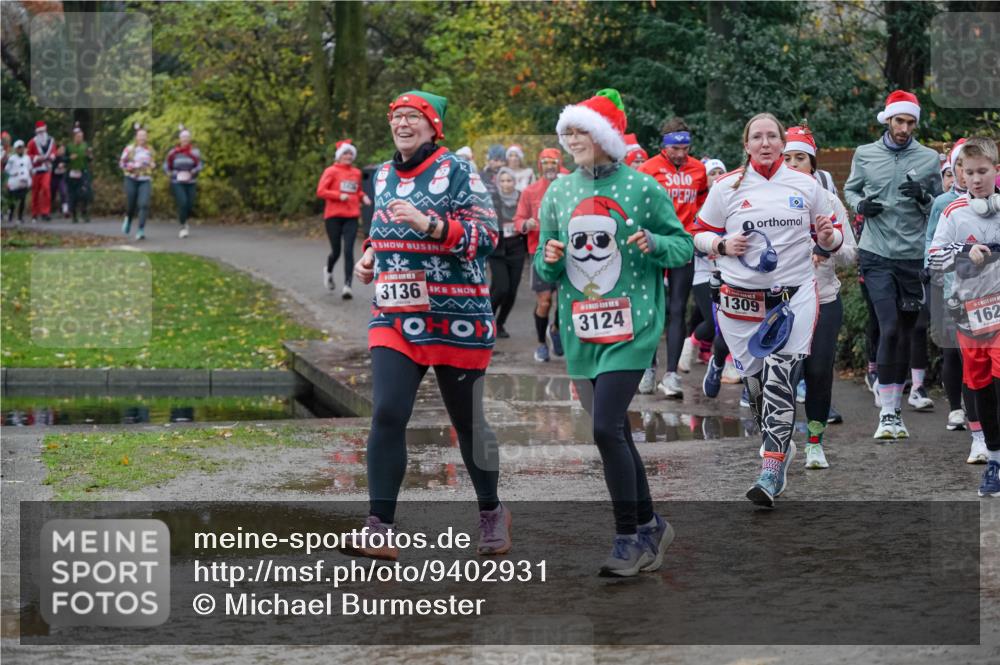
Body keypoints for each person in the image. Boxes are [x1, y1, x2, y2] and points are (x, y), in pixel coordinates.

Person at [346, 90, 510, 560]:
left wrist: (429, 224)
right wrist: (372, 256)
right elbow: (382, 229)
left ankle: (492, 511)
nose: (402, 123)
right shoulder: (380, 174)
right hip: (396, 315)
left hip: (455, 317)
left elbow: (486, 236)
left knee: (468, 423)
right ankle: (380, 526)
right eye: (396, 116)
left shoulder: (457, 171)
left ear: (432, 125)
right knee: (387, 412)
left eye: (412, 116)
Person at [536, 88, 693, 575]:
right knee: (617, 431)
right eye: (569, 131)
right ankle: (651, 525)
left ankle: (628, 537)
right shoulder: (559, 191)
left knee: (605, 427)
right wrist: (551, 259)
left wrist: (652, 243)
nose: (573, 139)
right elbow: (545, 265)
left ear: (605, 136)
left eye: (582, 130)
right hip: (583, 330)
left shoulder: (643, 187)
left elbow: (683, 246)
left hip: (634, 325)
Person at [692, 112, 842, 506]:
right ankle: (778, 444)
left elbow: (831, 237)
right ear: (746, 145)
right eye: (756, 137)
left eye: (771, 136)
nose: (764, 143)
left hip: (793, 298)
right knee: (757, 387)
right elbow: (698, 235)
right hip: (740, 301)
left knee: (781, 379)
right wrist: (722, 246)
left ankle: (771, 471)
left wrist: (828, 239)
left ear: (782, 144)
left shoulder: (806, 185)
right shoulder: (727, 187)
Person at [844, 90, 942, 439]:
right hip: (875, 253)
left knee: (903, 331)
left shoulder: (930, 158)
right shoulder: (865, 154)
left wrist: (924, 197)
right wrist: (860, 207)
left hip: (913, 256)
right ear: (887, 120)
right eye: (899, 121)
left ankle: (896, 409)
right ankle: (886, 412)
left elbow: (940, 208)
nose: (904, 128)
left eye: (910, 122)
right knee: (888, 328)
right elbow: (851, 190)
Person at [781, 125, 858, 468]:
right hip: (781, 303)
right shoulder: (767, 202)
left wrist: (830, 247)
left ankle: (814, 442)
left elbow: (851, 254)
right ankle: (778, 443)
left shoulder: (828, 201)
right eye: (788, 158)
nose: (794, 164)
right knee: (782, 375)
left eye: (801, 158)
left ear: (813, 164)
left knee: (818, 372)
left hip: (824, 299)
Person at [928, 136, 1000, 497]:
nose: (975, 179)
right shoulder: (953, 212)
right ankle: (994, 458)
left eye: (982, 171)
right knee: (981, 384)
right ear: (960, 173)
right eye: (968, 172)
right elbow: (932, 258)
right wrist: (964, 251)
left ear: (996, 172)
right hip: (970, 314)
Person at [637, 117, 709, 398]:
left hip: (682, 245)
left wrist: (699, 233)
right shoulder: (648, 170)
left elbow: (703, 204)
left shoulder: (699, 169)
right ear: (663, 146)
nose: (680, 154)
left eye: (686, 148)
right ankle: (648, 367)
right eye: (675, 149)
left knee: (678, 308)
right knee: (653, 307)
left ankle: (671, 375)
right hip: (654, 245)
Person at [926, 139, 983, 444]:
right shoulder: (944, 205)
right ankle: (957, 410)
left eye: (974, 167)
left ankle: (983, 424)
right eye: (959, 167)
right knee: (955, 354)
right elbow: (931, 247)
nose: (965, 174)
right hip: (952, 291)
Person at [515, 147, 565, 361]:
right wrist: (527, 223)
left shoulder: (569, 186)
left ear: (559, 164)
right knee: (544, 301)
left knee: (565, 302)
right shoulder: (531, 191)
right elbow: (518, 221)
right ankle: (541, 344)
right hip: (540, 253)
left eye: (553, 162)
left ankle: (556, 329)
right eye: (545, 162)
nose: (549, 166)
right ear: (540, 166)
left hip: (567, 253)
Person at [316, 139, 370, 299]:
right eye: (345, 153)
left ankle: (348, 286)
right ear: (339, 156)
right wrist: (339, 195)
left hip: (351, 217)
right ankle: (329, 270)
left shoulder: (356, 172)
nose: (348, 156)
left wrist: (364, 197)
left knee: (348, 251)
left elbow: (357, 191)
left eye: (350, 153)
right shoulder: (331, 171)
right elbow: (321, 191)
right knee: (336, 251)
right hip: (333, 216)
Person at [488, 167, 525, 337]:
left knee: (512, 291)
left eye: (509, 180)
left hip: (517, 247)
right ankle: (486, 320)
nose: (506, 184)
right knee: (501, 288)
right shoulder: (493, 199)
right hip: (498, 249)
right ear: (498, 183)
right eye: (502, 181)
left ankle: (500, 323)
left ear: (514, 182)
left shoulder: (522, 198)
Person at [163, 126, 204, 239]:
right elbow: (166, 165)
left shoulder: (195, 152)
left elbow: (200, 165)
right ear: (180, 139)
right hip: (177, 181)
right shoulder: (173, 152)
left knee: (189, 204)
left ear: (190, 139)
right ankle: (183, 226)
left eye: (187, 137)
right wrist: (169, 173)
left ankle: (185, 220)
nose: (185, 140)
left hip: (191, 180)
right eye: (183, 137)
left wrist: (193, 171)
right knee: (183, 202)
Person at [119, 125, 156, 240]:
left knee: (144, 204)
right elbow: (121, 163)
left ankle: (141, 230)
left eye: (144, 136)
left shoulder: (150, 150)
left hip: (145, 180)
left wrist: (152, 166)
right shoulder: (129, 149)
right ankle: (128, 218)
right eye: (140, 136)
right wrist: (130, 166)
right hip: (131, 178)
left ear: (147, 137)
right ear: (136, 137)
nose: (142, 138)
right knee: (131, 204)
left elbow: (153, 163)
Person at [26, 120, 55, 223]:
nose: (41, 134)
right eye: (39, 132)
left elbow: (53, 152)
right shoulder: (32, 142)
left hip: (46, 169)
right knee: (35, 192)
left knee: (46, 189)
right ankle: (34, 213)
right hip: (35, 170)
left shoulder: (51, 141)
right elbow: (28, 156)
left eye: (43, 132)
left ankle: (45, 212)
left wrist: (52, 156)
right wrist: (37, 158)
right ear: (37, 132)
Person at [66, 124, 93, 224]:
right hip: (72, 173)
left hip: (83, 172)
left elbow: (90, 159)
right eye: (78, 136)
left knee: (85, 194)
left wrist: (90, 155)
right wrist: (69, 158)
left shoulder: (85, 146)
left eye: (81, 137)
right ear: (74, 137)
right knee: (73, 195)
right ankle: (74, 215)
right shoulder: (69, 147)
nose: (79, 138)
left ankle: (84, 213)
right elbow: (63, 159)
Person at [4, 140, 31, 224]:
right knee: (12, 200)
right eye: (18, 148)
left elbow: (29, 168)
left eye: (21, 147)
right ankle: (10, 215)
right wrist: (13, 173)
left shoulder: (27, 158)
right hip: (14, 182)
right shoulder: (12, 158)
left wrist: (29, 179)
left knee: (22, 199)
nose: (20, 149)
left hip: (24, 181)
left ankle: (20, 217)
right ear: (16, 149)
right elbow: (7, 169)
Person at [50, 143, 69, 218]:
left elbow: (68, 162)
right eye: (60, 149)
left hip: (61, 178)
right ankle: (48, 210)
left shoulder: (65, 158)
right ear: (57, 150)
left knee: (63, 192)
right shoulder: (53, 157)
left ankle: (65, 210)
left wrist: (64, 165)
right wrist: (57, 166)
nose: (62, 151)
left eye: (63, 150)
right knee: (52, 194)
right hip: (53, 177)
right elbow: (50, 166)